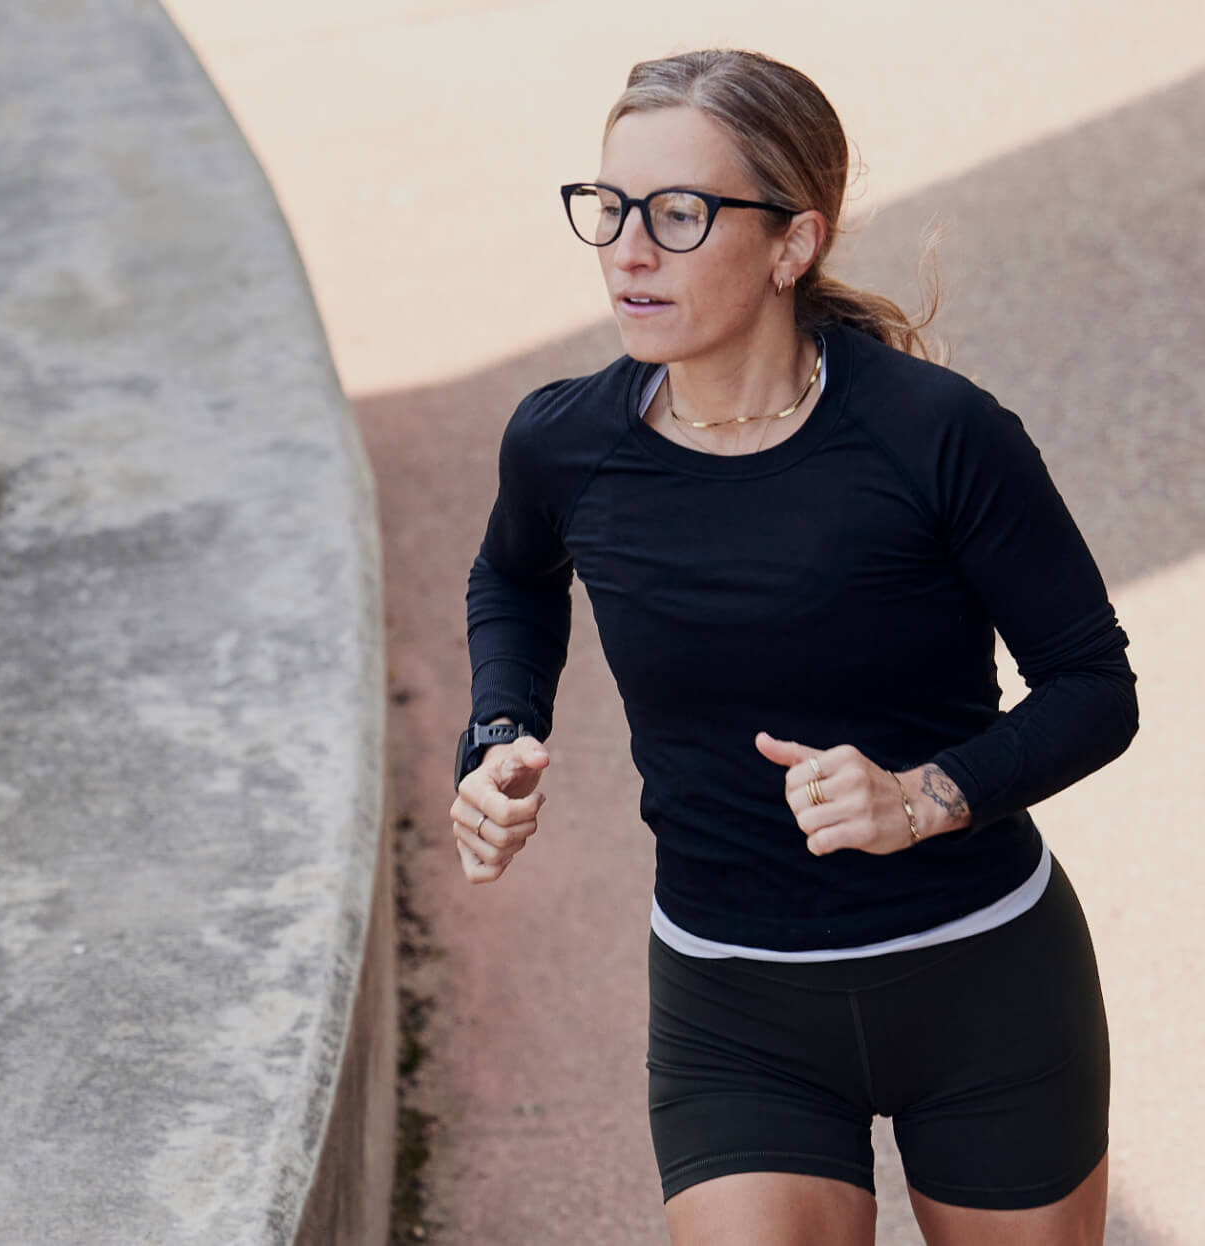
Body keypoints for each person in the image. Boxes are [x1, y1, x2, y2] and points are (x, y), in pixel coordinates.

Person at [451, 49, 1140, 1246]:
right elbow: (512, 575)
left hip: (980, 979)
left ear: (791, 243)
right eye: (609, 209)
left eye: (677, 213)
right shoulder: (565, 446)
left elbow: (1095, 686)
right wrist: (502, 732)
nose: (627, 250)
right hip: (733, 1000)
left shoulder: (937, 436)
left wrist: (925, 796)